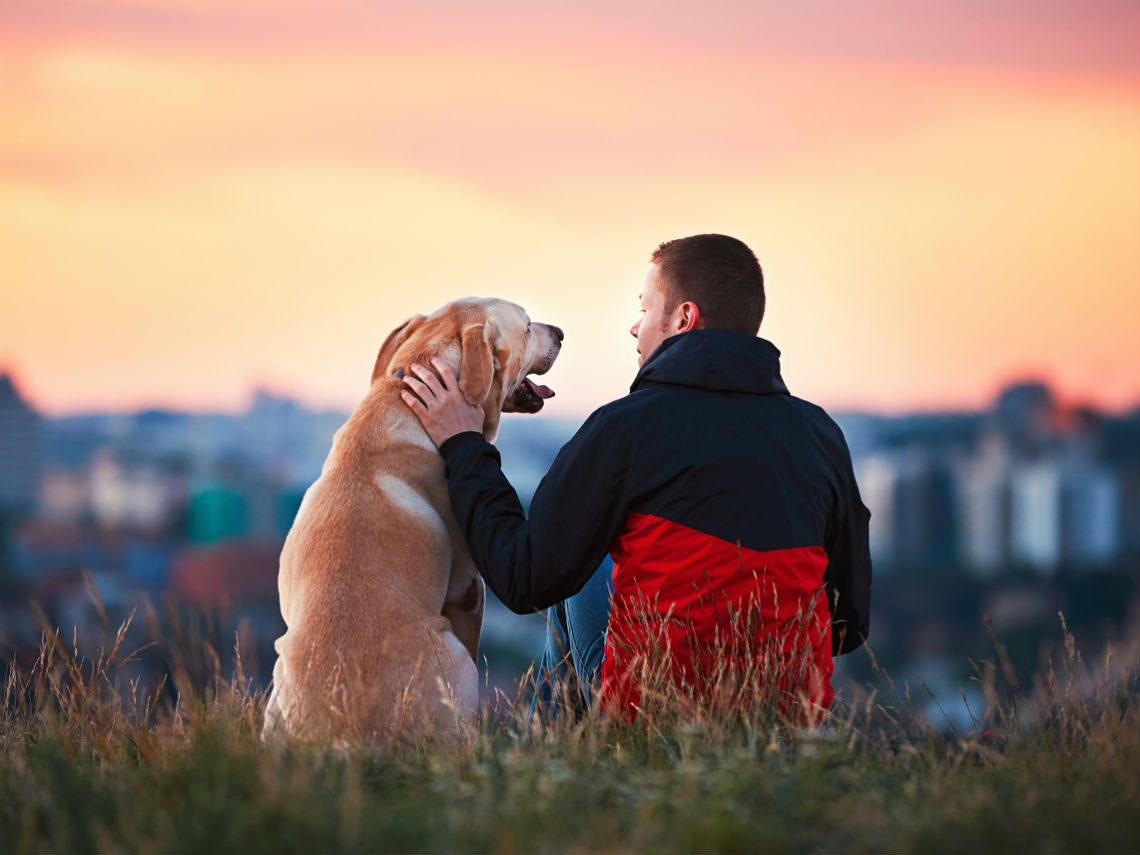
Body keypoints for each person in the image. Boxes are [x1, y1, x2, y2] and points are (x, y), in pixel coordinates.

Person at [400, 234, 871, 722]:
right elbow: (848, 625)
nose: (634, 327)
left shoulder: (624, 428)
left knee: (574, 575)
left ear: (683, 319)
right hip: (786, 721)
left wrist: (463, 444)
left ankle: (552, 767)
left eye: (645, 309)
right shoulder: (821, 436)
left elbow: (523, 578)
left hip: (655, 716)